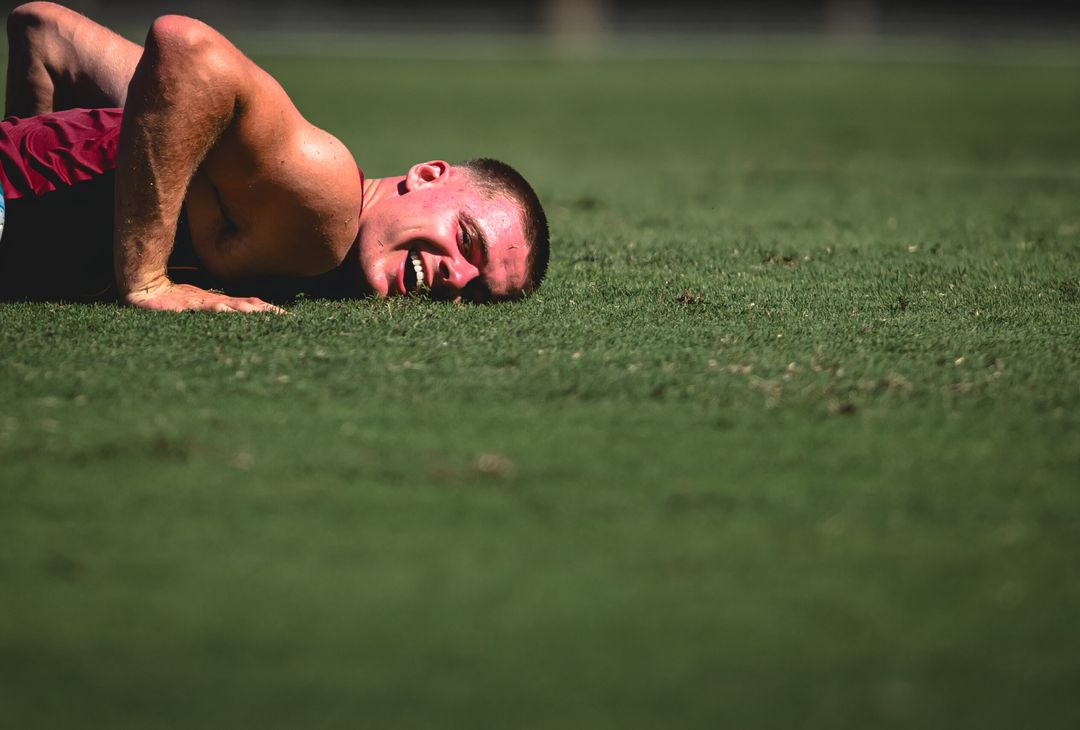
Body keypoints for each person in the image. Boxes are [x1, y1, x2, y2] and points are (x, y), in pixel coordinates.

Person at [0, 2, 549, 312]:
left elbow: (45, 34)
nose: (456, 277)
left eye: (477, 290)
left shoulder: (228, 154)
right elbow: (186, 46)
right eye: (467, 240)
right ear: (427, 175)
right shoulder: (329, 203)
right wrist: (147, 281)